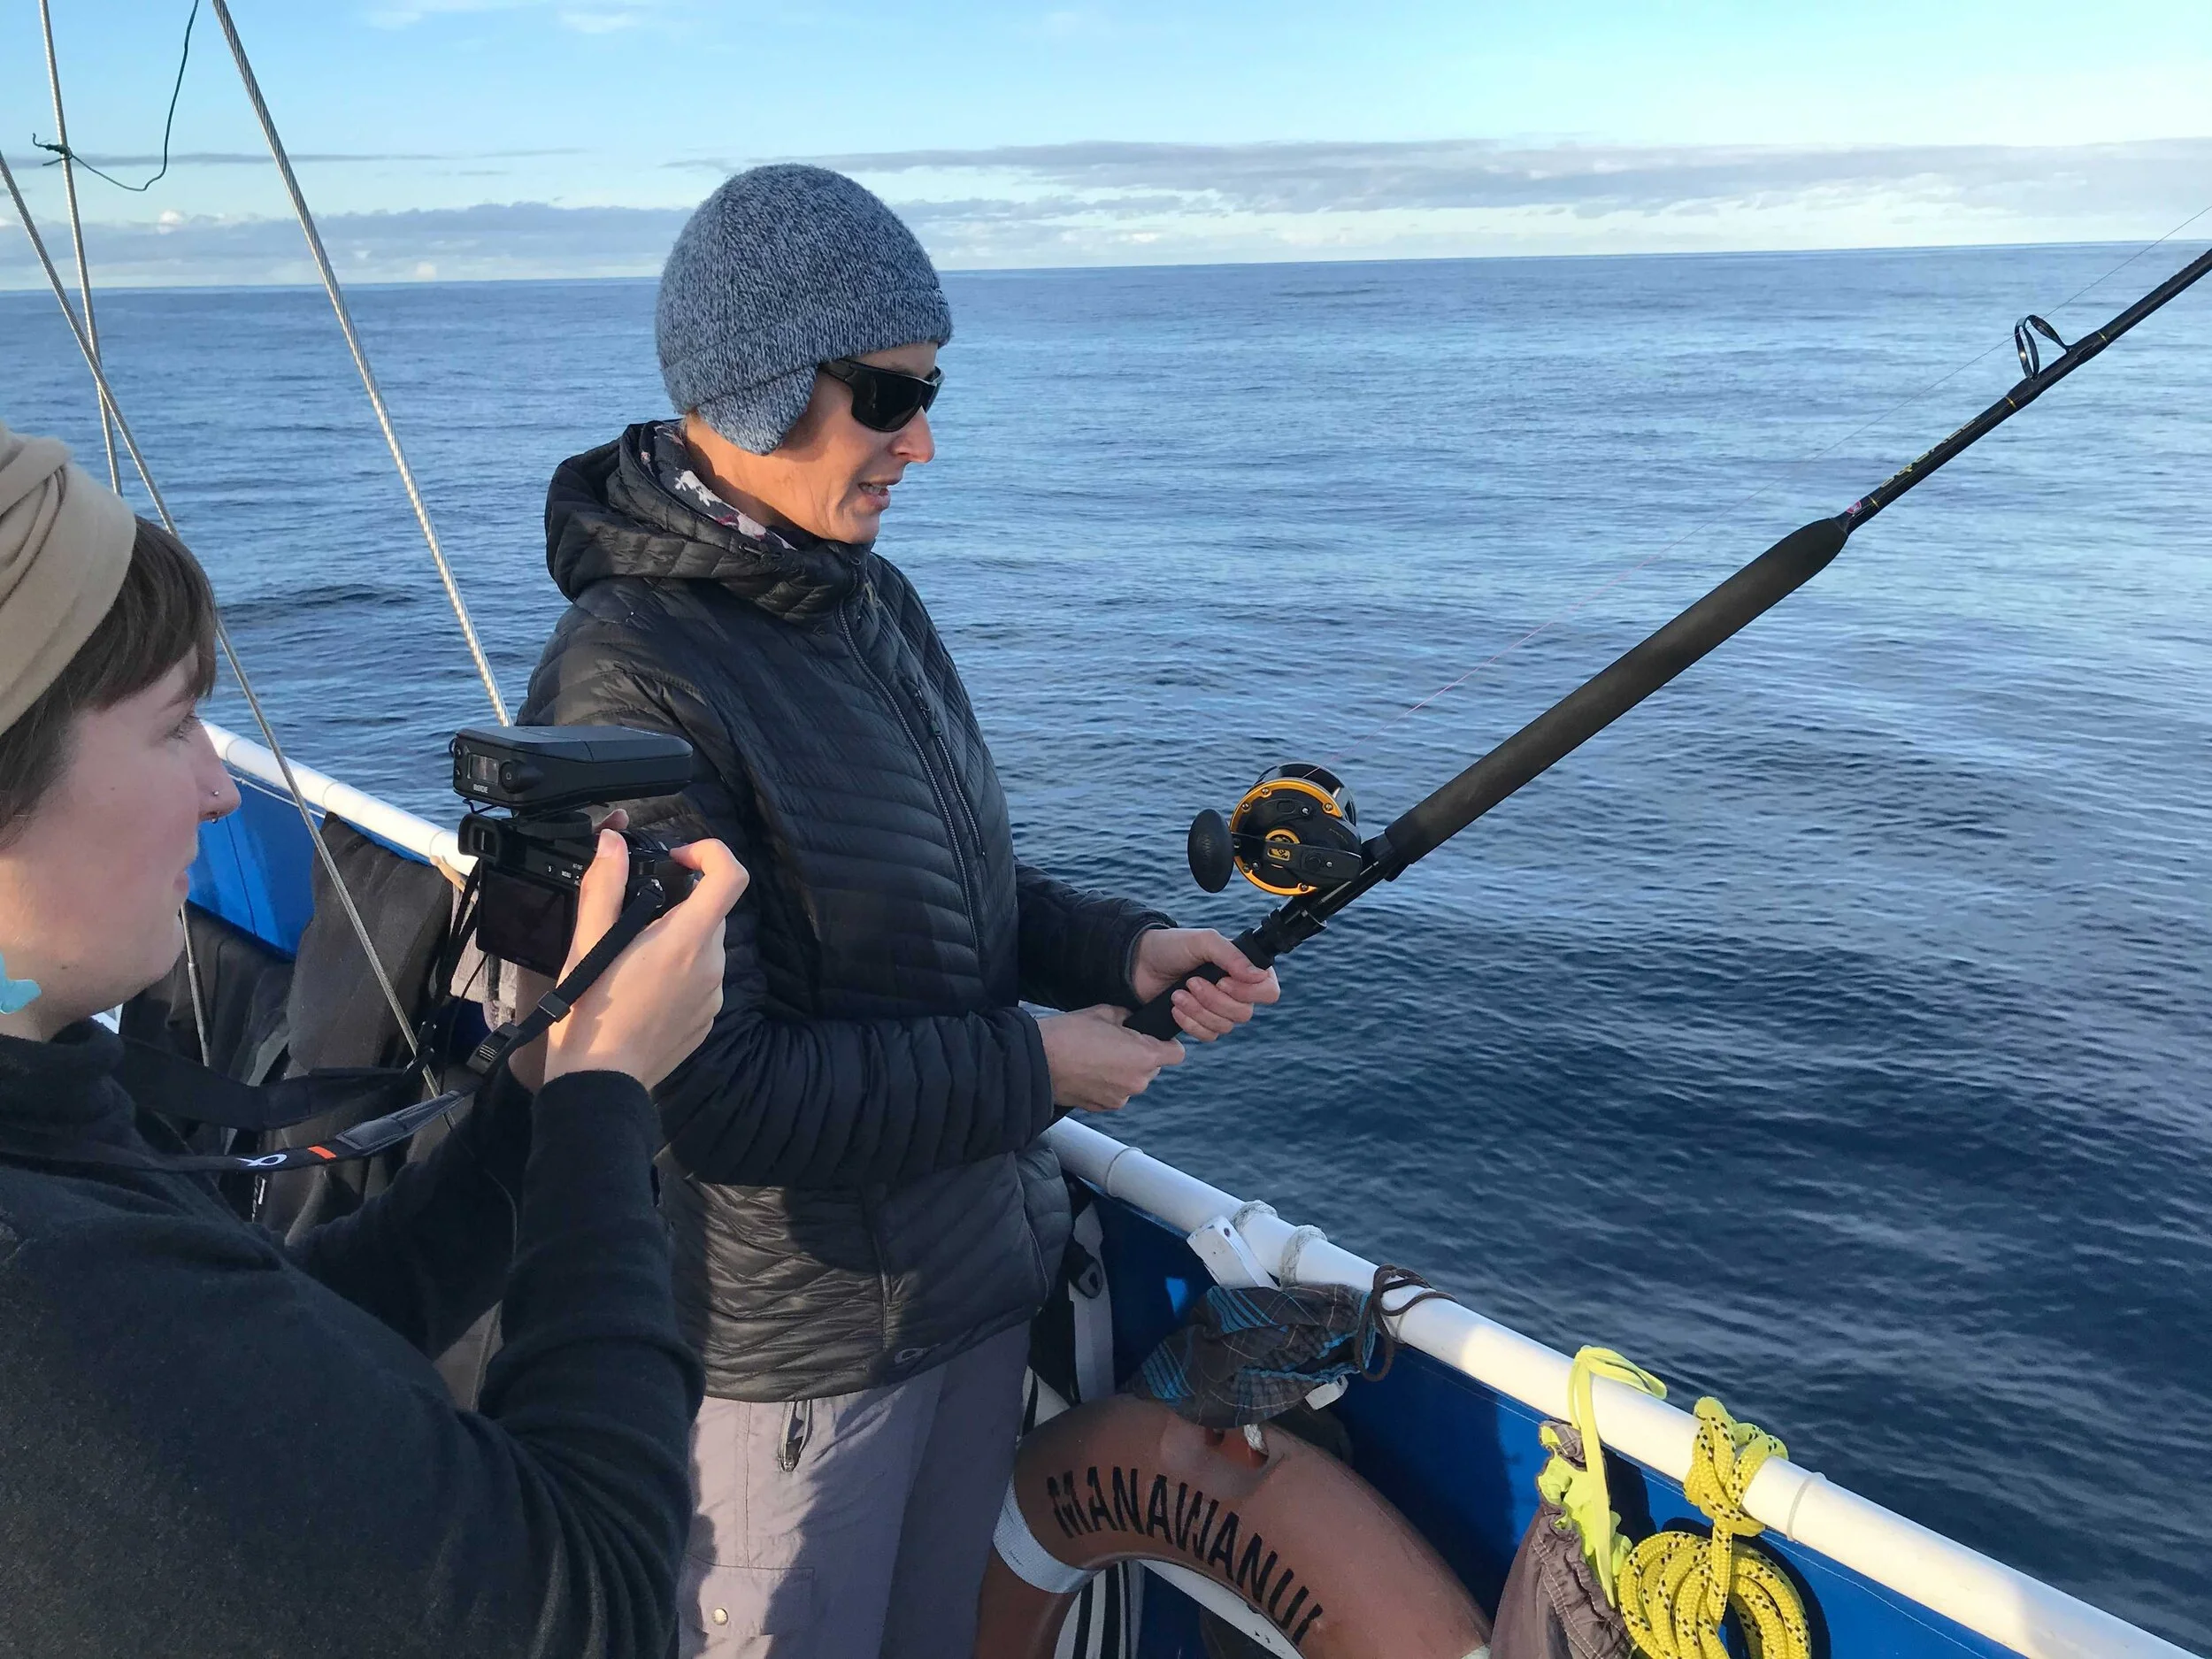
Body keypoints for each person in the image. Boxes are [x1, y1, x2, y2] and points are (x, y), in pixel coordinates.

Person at [518, 164, 1281, 1657]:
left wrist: (1120, 946)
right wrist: (1037, 1064)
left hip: (971, 1289)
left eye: (929, 394)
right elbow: (707, 1091)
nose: (921, 442)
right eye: (886, 397)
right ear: (759, 386)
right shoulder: (626, 678)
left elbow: (958, 891)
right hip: (801, 1366)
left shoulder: (867, 601)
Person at [0, 421, 746, 1657]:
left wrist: (534, 1102)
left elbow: (283, 1353)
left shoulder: (46, 1112)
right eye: (174, 726)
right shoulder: (47, 1298)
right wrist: (605, 1099)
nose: (220, 787)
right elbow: (592, 1606)